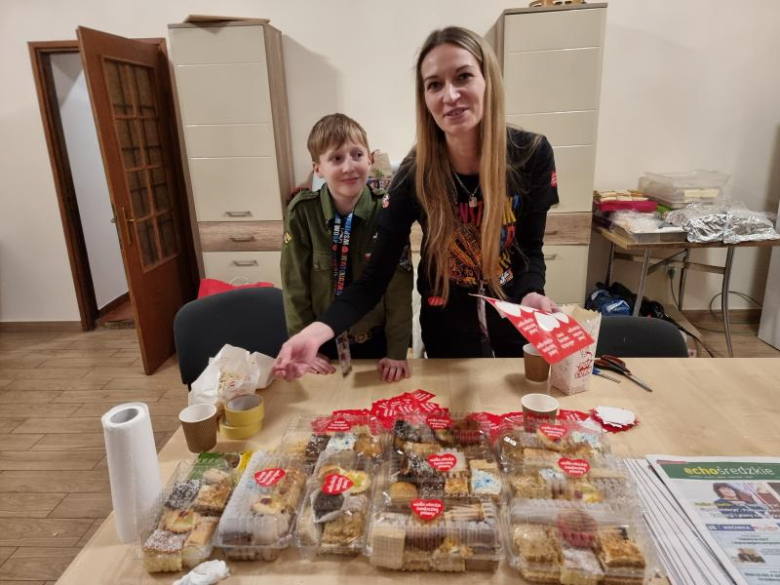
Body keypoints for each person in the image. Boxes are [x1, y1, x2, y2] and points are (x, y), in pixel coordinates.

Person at [275, 27, 559, 380]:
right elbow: (374, 278)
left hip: (513, 311)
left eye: (463, 76)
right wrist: (314, 333)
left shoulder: (531, 154)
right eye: (434, 84)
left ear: (488, 80)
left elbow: (530, 250)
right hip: (447, 319)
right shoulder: (416, 172)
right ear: (424, 97)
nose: (450, 95)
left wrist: (532, 292)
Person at [281, 113, 413, 382]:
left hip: (376, 346)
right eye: (336, 158)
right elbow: (295, 286)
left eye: (357, 155)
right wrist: (305, 342)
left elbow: (399, 288)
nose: (349, 166)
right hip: (322, 348)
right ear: (318, 168)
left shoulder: (387, 210)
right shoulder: (303, 213)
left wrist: (398, 350)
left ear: (370, 159)